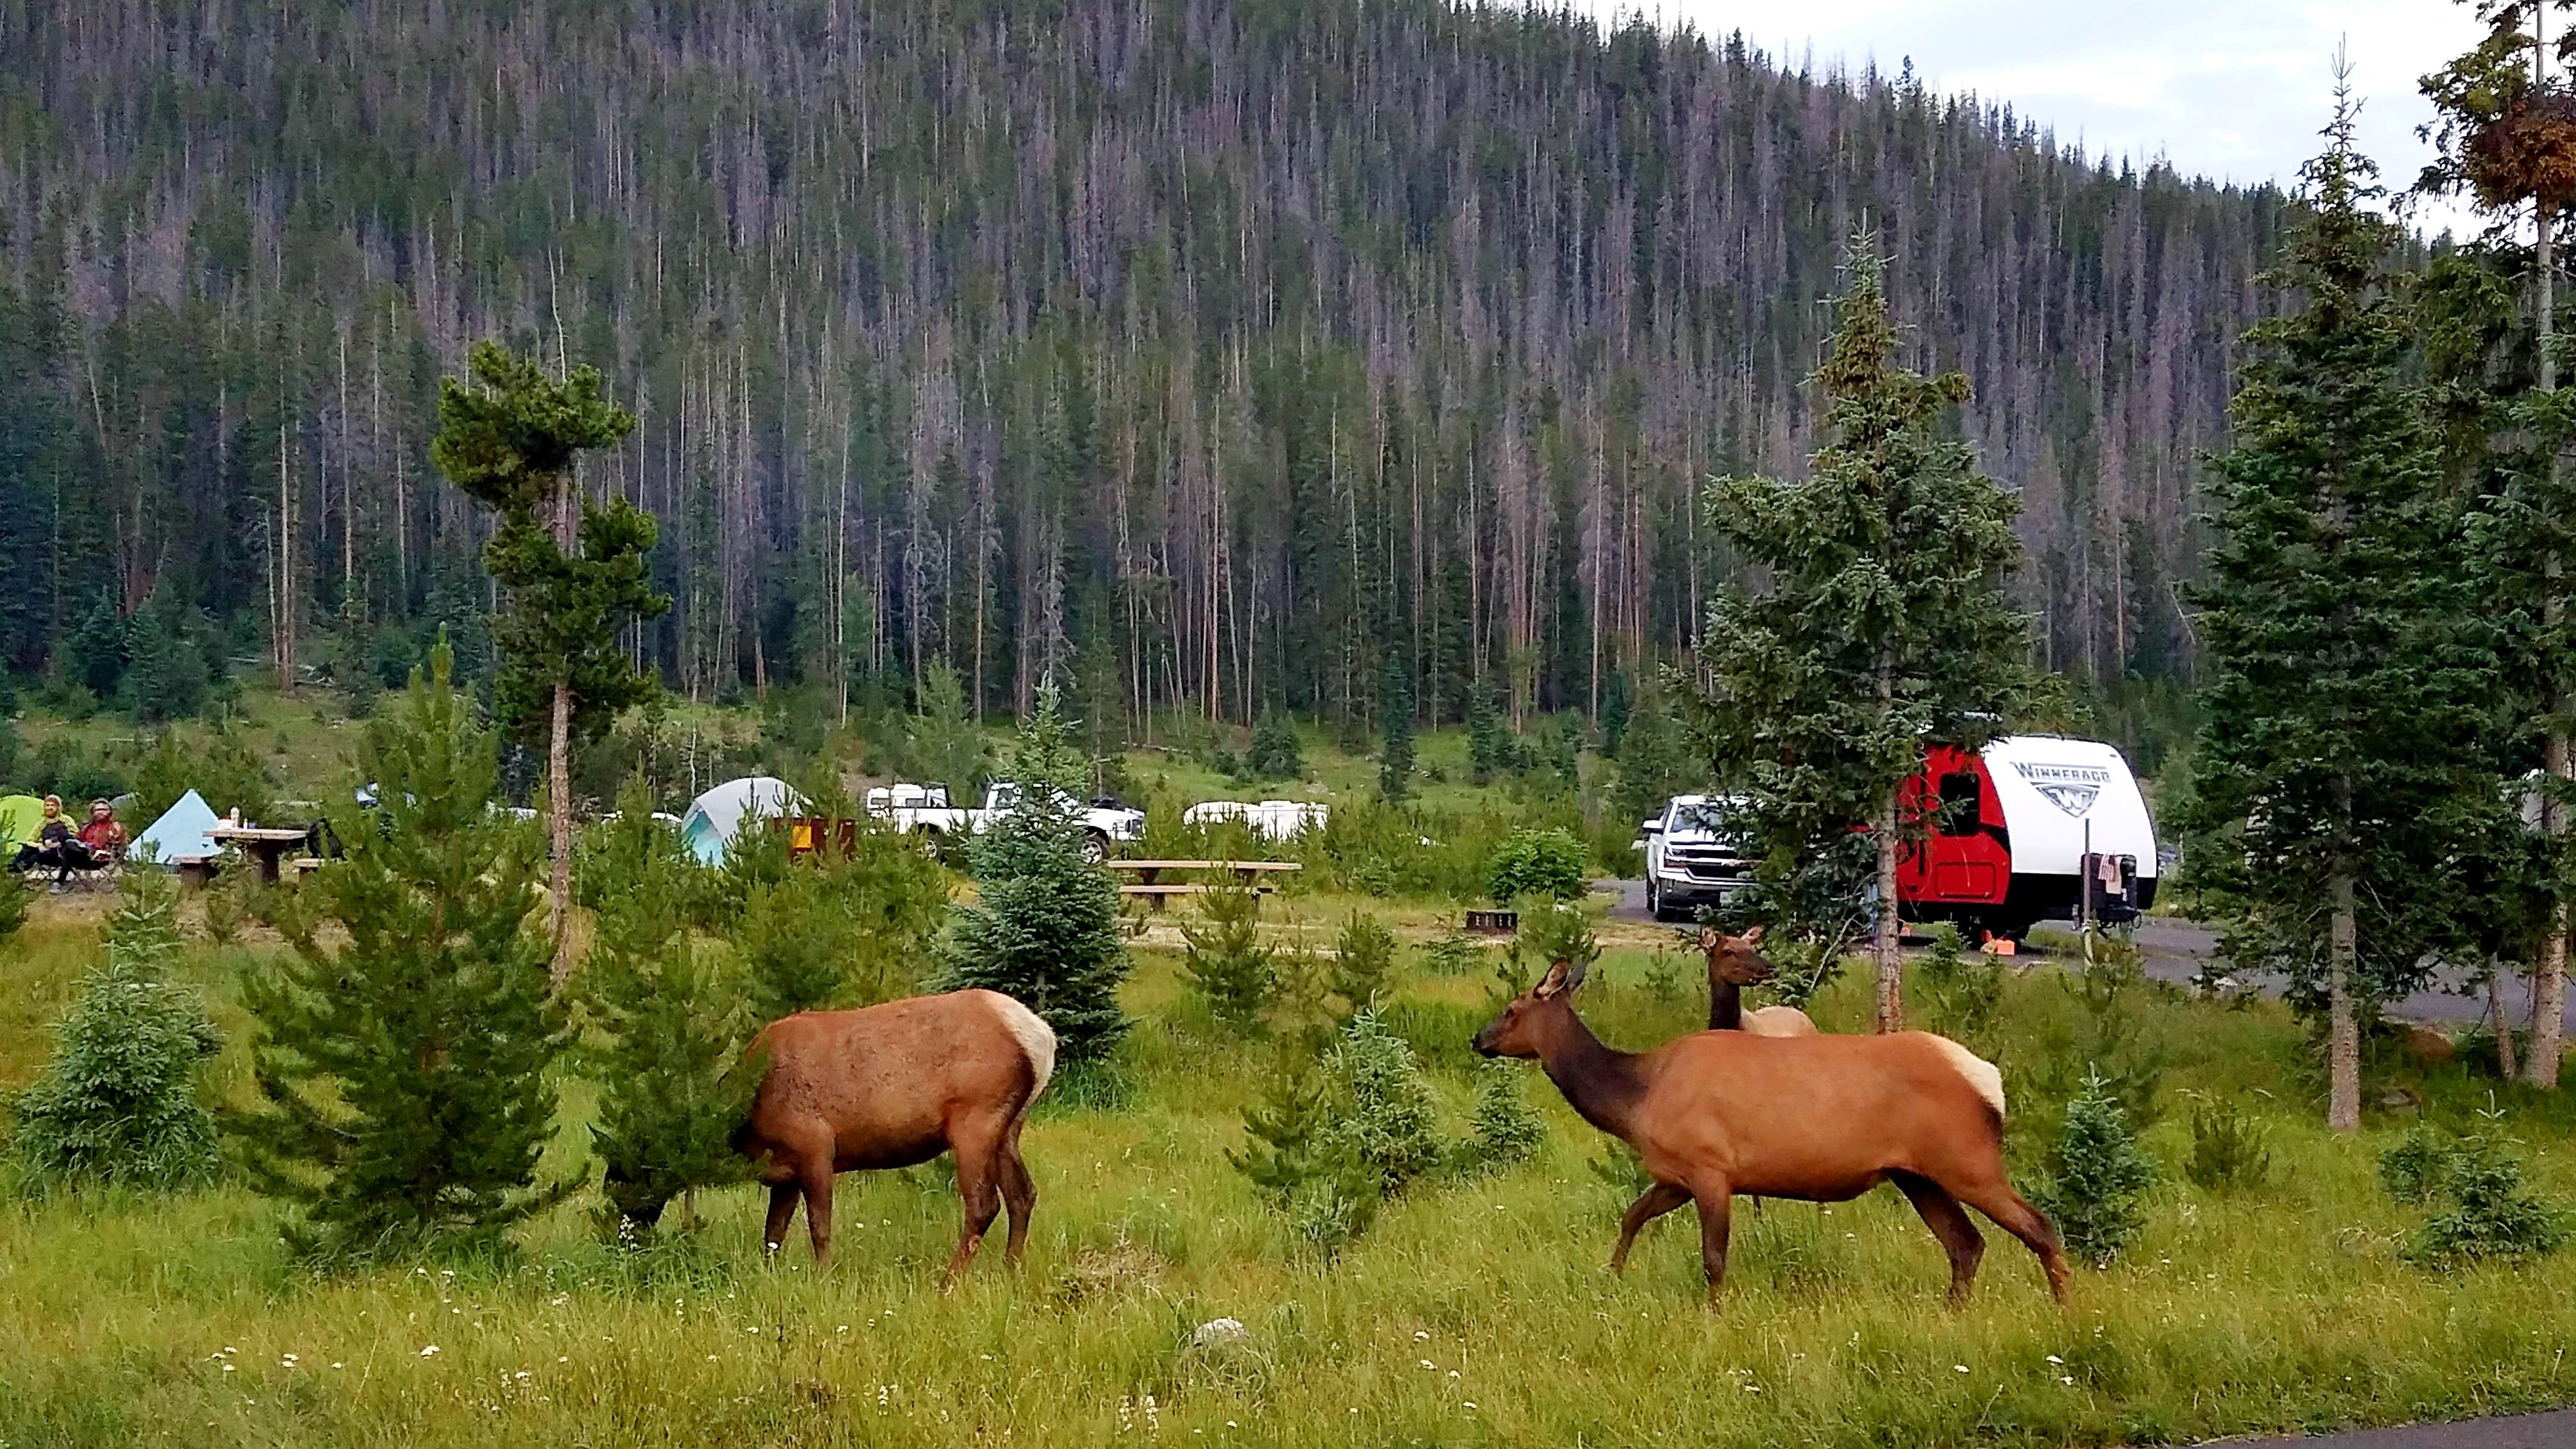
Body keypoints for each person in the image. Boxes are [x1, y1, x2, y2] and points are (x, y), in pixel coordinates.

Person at [10, 795, 94, 893]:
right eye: (47, 805)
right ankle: (14, 870)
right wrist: (39, 845)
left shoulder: (66, 820)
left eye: (52, 805)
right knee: (28, 849)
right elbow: (30, 840)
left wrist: (59, 843)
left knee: (37, 854)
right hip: (47, 852)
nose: (49, 808)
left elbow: (75, 836)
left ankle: (18, 870)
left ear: (58, 807)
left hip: (63, 854)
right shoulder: (42, 823)